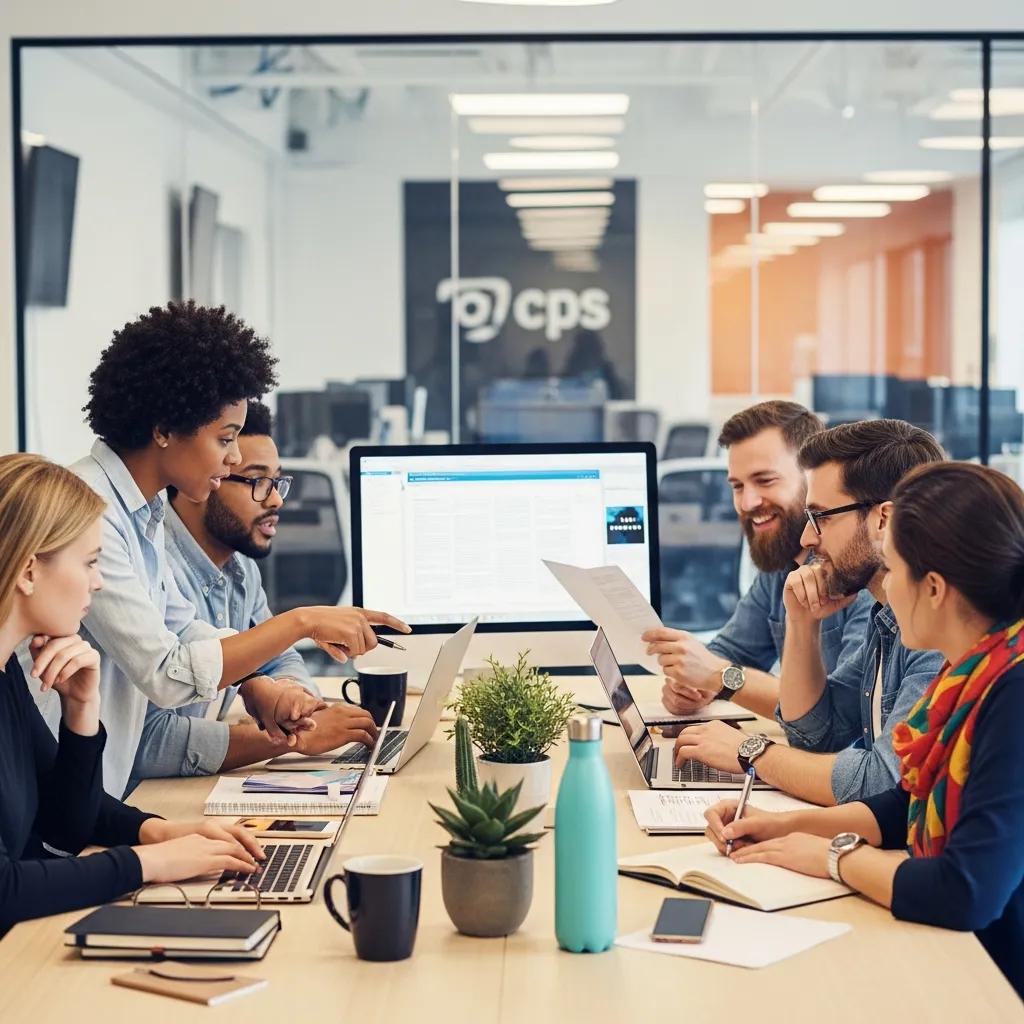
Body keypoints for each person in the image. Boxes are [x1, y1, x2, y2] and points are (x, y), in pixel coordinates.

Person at [703, 462, 1024, 998]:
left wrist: (835, 858)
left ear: (937, 589)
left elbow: (967, 890)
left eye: (894, 573)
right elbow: (903, 803)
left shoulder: (1012, 693)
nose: (887, 593)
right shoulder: (969, 671)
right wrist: (791, 826)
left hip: (991, 982)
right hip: (951, 953)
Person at [69, 301, 408, 798]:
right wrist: (303, 621)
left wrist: (258, 684)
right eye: (225, 438)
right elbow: (168, 674)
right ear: (163, 429)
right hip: (55, 808)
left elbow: (183, 629)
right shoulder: (90, 512)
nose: (232, 457)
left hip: (101, 798)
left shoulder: (143, 514)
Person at [0, 454, 268, 934]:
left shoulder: (5, 678)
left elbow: (66, 828)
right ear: (27, 572)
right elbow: (4, 890)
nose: (98, 581)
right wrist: (151, 863)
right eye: (89, 563)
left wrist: (82, 714)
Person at [675, 419, 946, 805]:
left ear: (883, 520)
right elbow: (818, 733)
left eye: (822, 517)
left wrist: (751, 752)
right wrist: (802, 623)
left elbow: (882, 782)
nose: (807, 538)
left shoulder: (938, 634)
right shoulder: (887, 619)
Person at [129, 401, 378, 787]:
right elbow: (147, 741)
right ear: (206, 479)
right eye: (257, 481)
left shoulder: (241, 567)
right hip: (138, 803)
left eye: (278, 481)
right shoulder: (152, 569)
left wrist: (293, 703)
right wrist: (287, 740)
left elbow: (278, 660)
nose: (276, 499)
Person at [642, 400, 872, 720]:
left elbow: (845, 716)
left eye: (765, 481)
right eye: (737, 486)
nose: (747, 502)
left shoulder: (860, 572)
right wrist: (694, 684)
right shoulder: (779, 567)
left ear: (812, 478)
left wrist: (720, 677)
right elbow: (731, 653)